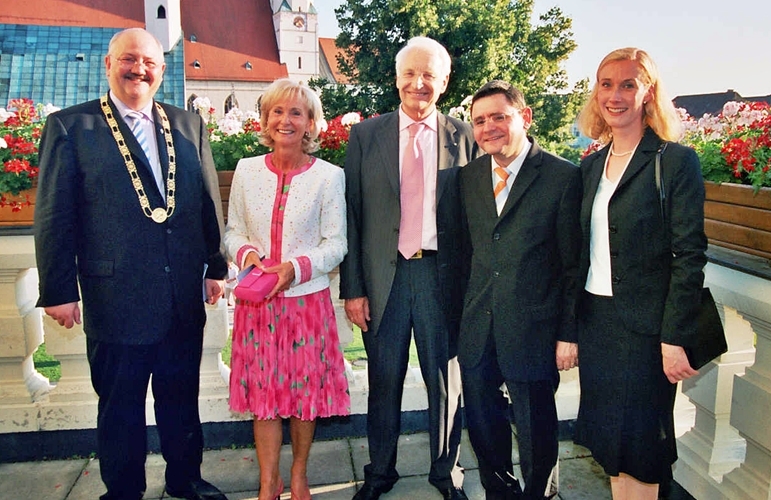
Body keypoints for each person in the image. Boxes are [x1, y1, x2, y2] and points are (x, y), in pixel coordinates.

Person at [34, 28, 228, 500]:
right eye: (129, 59)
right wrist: (58, 289)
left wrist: (216, 266)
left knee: (181, 400)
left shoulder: (188, 124)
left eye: (149, 62)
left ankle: (187, 481)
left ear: (162, 70)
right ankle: (122, 491)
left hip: (182, 293)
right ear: (108, 64)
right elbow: (54, 214)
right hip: (115, 296)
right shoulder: (70, 127)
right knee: (119, 407)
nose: (138, 69)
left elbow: (207, 202)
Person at [339, 36, 478, 500]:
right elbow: (353, 214)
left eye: (429, 75)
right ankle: (380, 471)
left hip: (442, 279)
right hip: (385, 279)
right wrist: (354, 289)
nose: (418, 84)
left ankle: (446, 473)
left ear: (444, 81)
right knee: (383, 381)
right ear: (397, 78)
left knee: (445, 384)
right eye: (410, 74)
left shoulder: (467, 137)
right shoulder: (365, 136)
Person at [574, 47, 708, 500]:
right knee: (612, 445)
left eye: (628, 84)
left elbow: (689, 255)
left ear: (648, 93)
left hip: (648, 332)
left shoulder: (674, 161)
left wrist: (674, 336)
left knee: (643, 449)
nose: (615, 95)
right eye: (606, 84)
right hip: (598, 325)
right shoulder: (590, 165)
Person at [225, 78, 351, 500]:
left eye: (296, 112)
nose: (285, 120)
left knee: (302, 398)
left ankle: (298, 473)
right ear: (264, 120)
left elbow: (337, 244)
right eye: (277, 111)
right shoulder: (245, 170)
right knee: (264, 398)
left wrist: (294, 268)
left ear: (311, 124)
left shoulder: (331, 177)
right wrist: (247, 256)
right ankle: (268, 480)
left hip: (306, 304)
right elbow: (233, 231)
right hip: (257, 305)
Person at [457, 80, 582, 500]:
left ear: (524, 118)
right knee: (482, 422)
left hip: (535, 329)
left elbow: (572, 266)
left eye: (499, 117)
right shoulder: (469, 178)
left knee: (536, 429)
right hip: (478, 325)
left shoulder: (564, 177)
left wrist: (568, 333)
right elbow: (467, 253)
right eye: (479, 121)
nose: (488, 127)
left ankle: (539, 495)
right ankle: (499, 492)